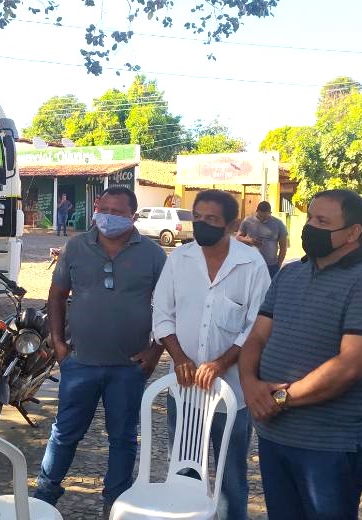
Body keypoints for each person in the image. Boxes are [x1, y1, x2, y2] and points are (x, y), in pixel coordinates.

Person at [238, 189, 362, 520]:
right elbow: (256, 336)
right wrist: (250, 384)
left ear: (353, 232)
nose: (310, 226)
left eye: (322, 221)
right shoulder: (290, 273)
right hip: (274, 437)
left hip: (328, 447)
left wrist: (277, 399)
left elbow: (350, 366)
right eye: (310, 218)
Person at [35, 186, 167, 515]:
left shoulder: (152, 254)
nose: (108, 216)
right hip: (79, 363)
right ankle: (45, 494)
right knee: (64, 433)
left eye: (118, 211)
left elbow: (169, 306)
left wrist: (155, 352)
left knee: (123, 438)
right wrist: (59, 344)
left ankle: (115, 500)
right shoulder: (76, 247)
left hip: (128, 367)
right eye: (103, 208)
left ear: (133, 216)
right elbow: (56, 295)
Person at [152, 189, 271, 520]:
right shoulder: (178, 260)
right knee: (185, 472)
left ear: (232, 224)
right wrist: (179, 358)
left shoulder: (251, 264)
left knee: (232, 477)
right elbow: (162, 315)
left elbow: (257, 325)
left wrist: (222, 363)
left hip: (233, 392)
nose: (202, 224)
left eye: (212, 219)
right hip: (185, 389)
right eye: (198, 217)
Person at [237, 201, 288, 278]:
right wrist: (250, 241)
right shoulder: (248, 221)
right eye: (259, 216)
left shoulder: (279, 224)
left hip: (271, 266)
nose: (262, 220)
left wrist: (278, 265)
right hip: (251, 264)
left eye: (265, 217)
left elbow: (283, 247)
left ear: (270, 213)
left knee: (270, 289)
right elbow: (238, 237)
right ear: (256, 211)